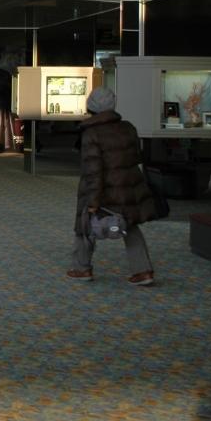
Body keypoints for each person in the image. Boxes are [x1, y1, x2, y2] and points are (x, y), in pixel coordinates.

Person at [68, 86, 157, 286]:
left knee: (85, 225)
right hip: (127, 187)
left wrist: (93, 201)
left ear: (91, 106)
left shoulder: (91, 133)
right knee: (130, 226)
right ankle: (143, 271)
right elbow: (136, 157)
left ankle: (81, 268)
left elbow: (93, 170)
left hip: (104, 189)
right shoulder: (128, 128)